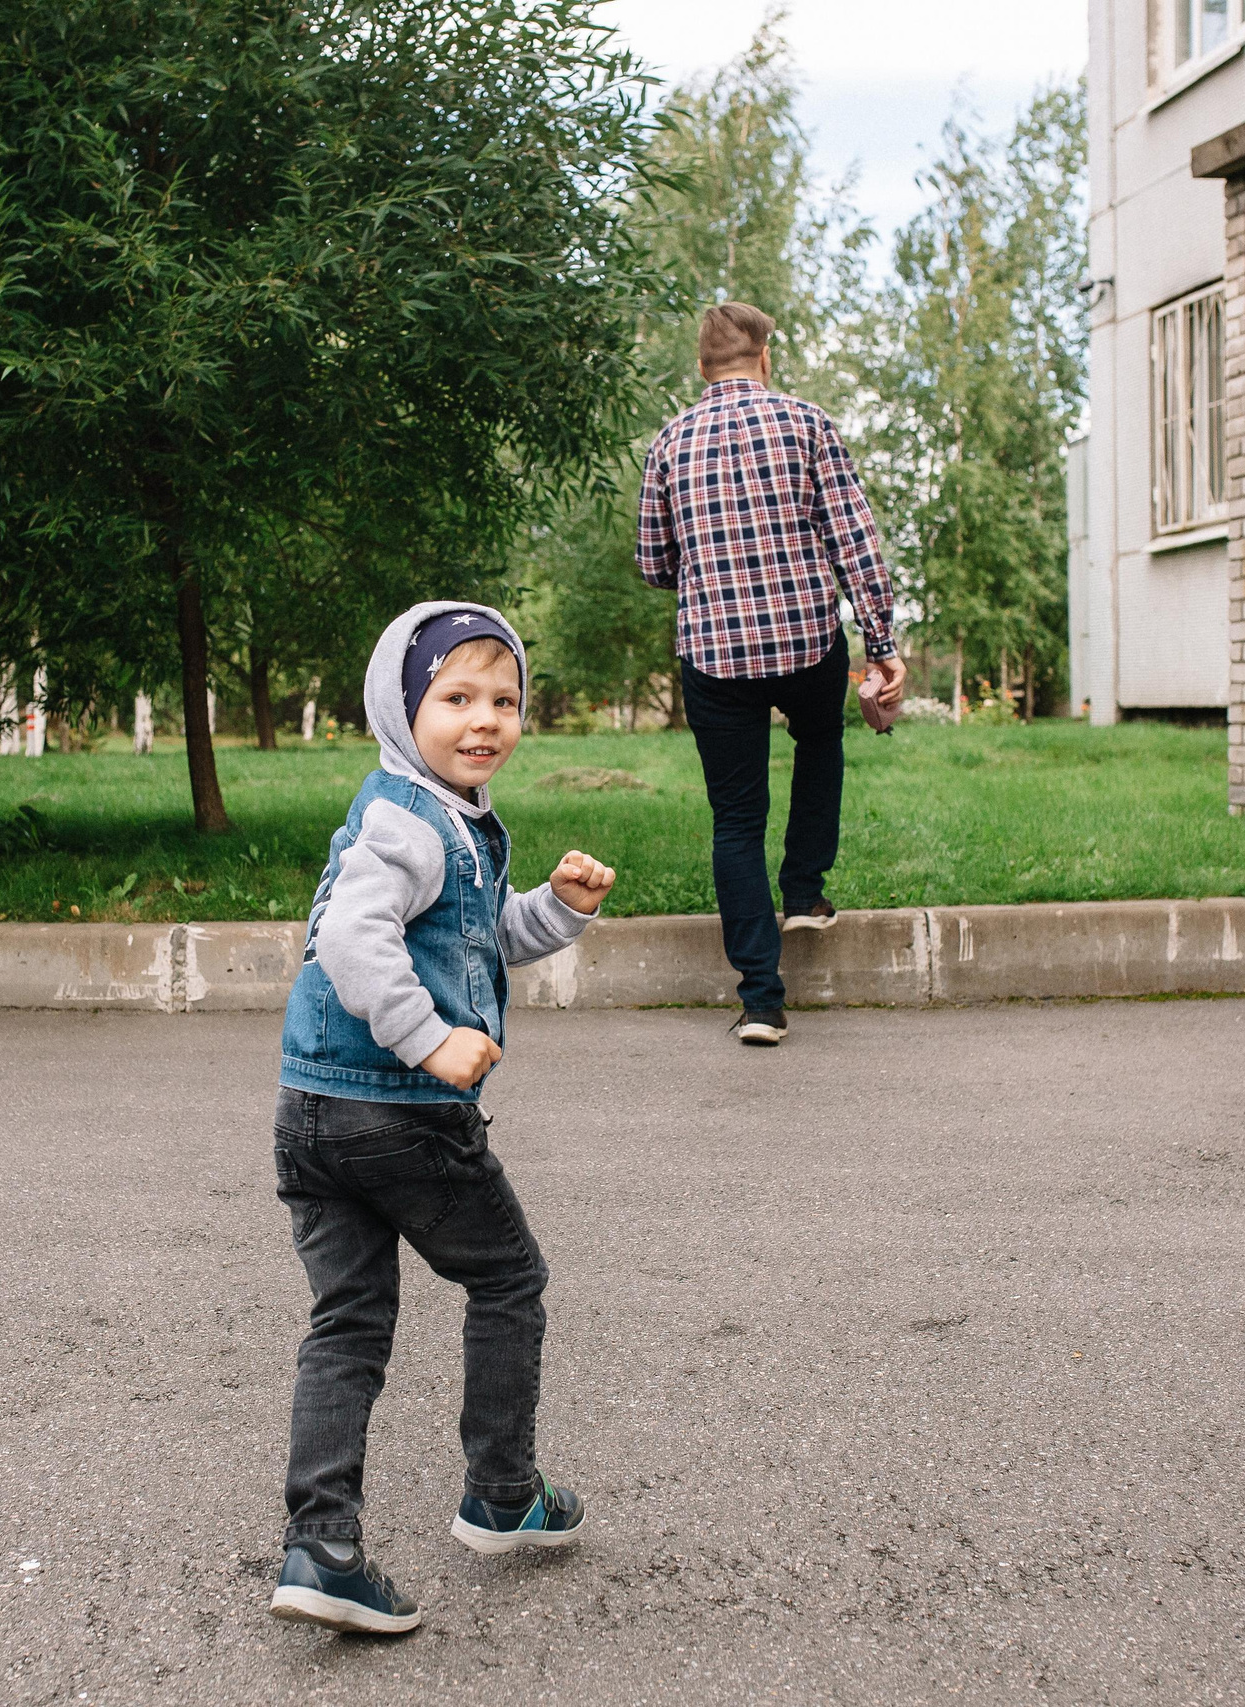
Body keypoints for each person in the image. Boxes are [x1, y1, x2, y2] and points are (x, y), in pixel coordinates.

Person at [266, 601, 618, 1636]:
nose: (485, 719)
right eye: (455, 697)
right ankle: (502, 1494)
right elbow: (349, 937)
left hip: (312, 1113)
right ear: (400, 707)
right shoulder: (408, 822)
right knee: (508, 1279)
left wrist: (559, 908)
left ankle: (321, 1548)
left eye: (504, 700)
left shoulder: (444, 819)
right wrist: (426, 1039)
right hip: (400, 1114)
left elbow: (475, 937)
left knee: (348, 1320)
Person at [637, 301, 904, 1047]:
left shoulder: (669, 442)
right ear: (765, 357)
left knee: (736, 818)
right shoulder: (808, 424)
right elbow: (855, 542)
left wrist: (714, 572)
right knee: (819, 742)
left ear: (701, 367)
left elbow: (654, 563)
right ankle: (806, 892)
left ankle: (761, 1002)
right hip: (806, 640)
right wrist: (881, 643)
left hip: (713, 652)